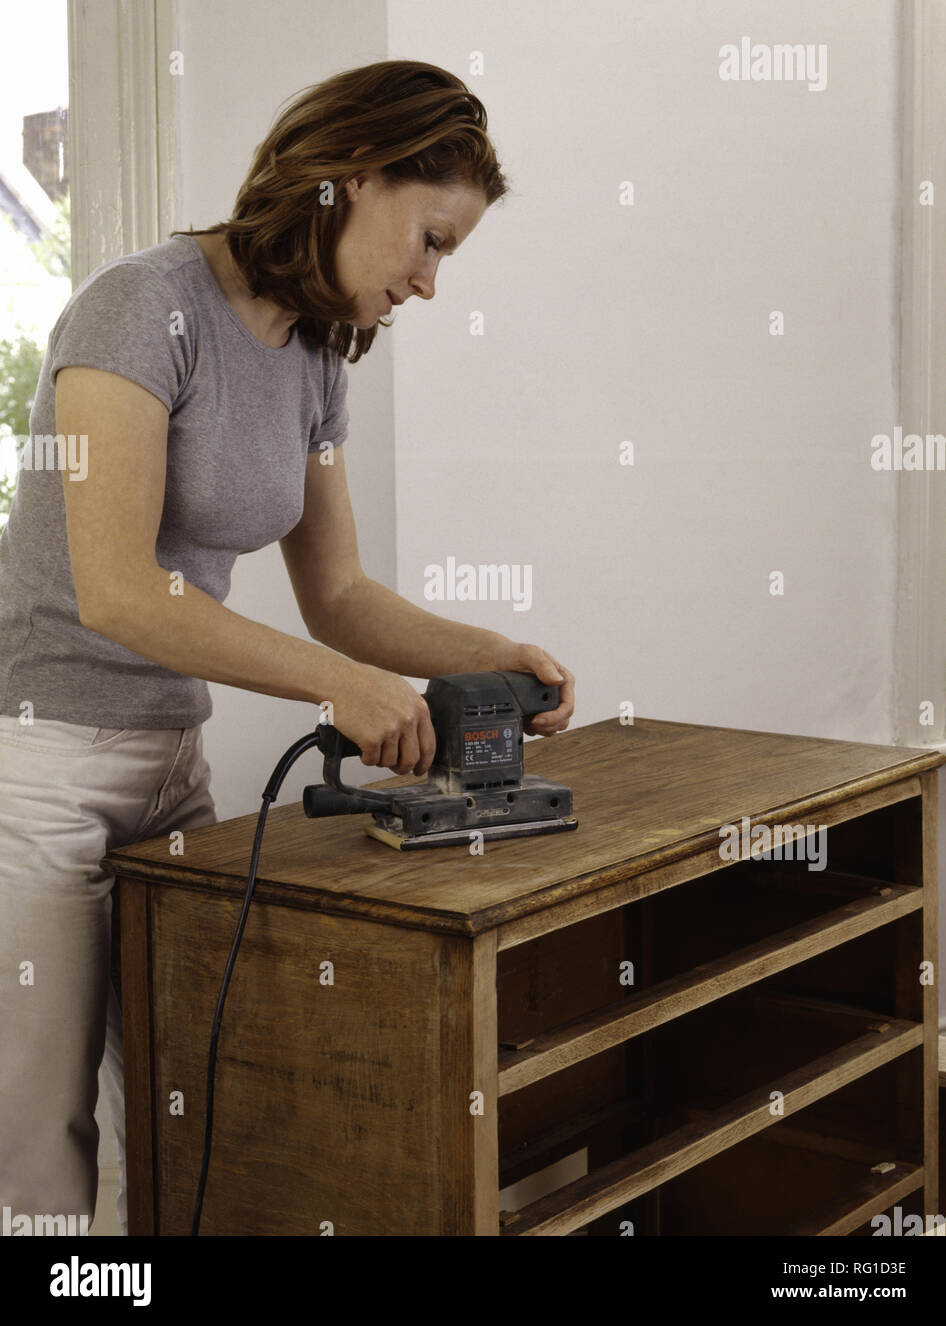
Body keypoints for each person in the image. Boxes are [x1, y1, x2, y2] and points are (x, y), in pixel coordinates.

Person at [0, 60, 575, 1237]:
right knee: (42, 1138)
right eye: (427, 240)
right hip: (42, 760)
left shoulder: (313, 358)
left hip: (171, 765)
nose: (426, 280)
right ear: (350, 178)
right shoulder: (139, 307)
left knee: (178, 1104)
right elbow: (117, 590)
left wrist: (493, 651)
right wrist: (342, 687)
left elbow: (342, 594)